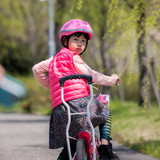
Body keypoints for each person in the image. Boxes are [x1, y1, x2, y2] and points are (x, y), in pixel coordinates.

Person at [32, 19, 120, 160]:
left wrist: (51, 85)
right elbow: (92, 75)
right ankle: (105, 149)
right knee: (105, 112)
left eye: (83, 41)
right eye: (76, 39)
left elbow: (36, 69)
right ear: (65, 41)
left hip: (60, 109)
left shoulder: (53, 60)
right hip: (80, 104)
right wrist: (112, 79)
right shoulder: (74, 57)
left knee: (71, 144)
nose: (80, 43)